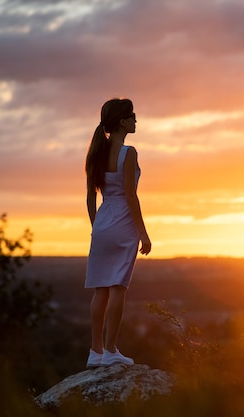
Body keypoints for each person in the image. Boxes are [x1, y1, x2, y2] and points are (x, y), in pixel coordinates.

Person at [84, 98, 151, 368]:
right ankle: (111, 350)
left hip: (102, 222)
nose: (136, 120)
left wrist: (96, 226)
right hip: (123, 222)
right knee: (118, 287)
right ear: (123, 122)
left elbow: (90, 197)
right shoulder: (129, 152)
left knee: (100, 290)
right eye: (132, 116)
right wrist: (144, 233)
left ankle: (95, 351)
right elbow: (131, 196)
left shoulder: (96, 153)